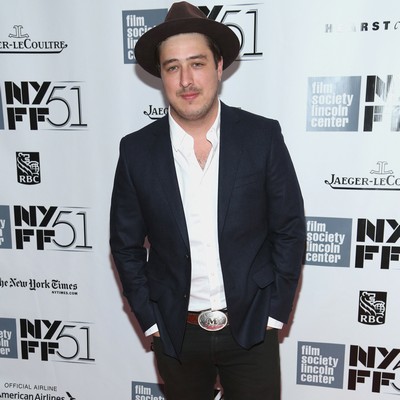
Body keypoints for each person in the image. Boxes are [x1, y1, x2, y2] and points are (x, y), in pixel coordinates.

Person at [110, 2, 306, 399]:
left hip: (252, 329)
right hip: (176, 334)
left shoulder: (262, 137)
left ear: (218, 66)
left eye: (197, 63)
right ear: (161, 76)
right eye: (173, 67)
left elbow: (289, 229)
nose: (186, 80)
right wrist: (151, 321)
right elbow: (125, 245)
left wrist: (274, 311)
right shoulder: (136, 152)